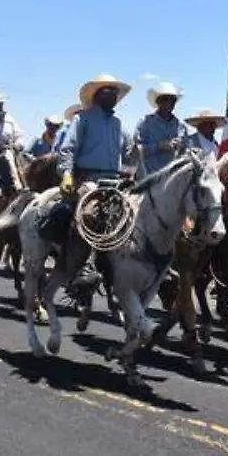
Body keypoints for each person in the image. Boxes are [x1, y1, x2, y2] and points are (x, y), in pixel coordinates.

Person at [56, 73, 135, 299]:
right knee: (90, 213)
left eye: (114, 93)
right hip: (88, 178)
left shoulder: (118, 124)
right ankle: (81, 265)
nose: (113, 96)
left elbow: (127, 154)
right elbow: (67, 149)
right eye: (108, 93)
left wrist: (133, 160)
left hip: (113, 180)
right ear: (98, 96)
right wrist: (67, 174)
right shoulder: (83, 119)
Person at [134, 81, 187, 175]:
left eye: (173, 100)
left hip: (173, 181)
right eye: (166, 99)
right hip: (148, 181)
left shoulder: (181, 127)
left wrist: (181, 148)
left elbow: (185, 154)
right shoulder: (145, 123)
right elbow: (135, 152)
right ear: (158, 101)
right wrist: (158, 146)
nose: (170, 103)